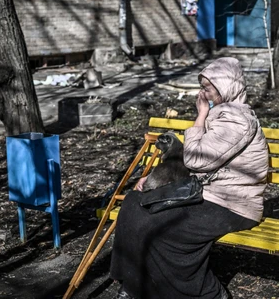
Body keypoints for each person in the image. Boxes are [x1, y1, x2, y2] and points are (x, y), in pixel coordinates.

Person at [110, 57, 269, 299]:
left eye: (207, 88)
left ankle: (210, 294)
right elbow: (197, 166)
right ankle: (133, 285)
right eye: (203, 87)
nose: (202, 93)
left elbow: (196, 160)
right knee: (134, 203)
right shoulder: (225, 115)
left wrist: (200, 115)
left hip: (234, 206)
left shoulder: (237, 120)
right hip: (209, 195)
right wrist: (157, 183)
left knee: (166, 233)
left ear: (226, 88)